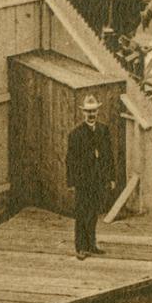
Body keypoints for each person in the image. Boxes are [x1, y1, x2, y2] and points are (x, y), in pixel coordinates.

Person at [65, 95, 115, 259]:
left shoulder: (103, 130)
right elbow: (70, 159)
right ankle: (80, 247)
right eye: (88, 112)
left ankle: (91, 245)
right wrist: (71, 182)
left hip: (99, 179)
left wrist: (111, 178)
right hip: (82, 180)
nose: (91, 114)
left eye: (93, 111)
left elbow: (109, 156)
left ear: (98, 111)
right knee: (81, 213)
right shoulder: (76, 133)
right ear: (83, 113)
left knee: (93, 213)